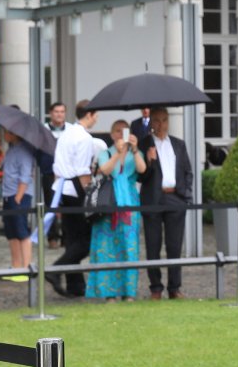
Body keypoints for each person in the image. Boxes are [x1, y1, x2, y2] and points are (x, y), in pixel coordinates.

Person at [137, 107, 192, 300]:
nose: (161, 125)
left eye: (164, 120)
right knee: (153, 246)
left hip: (175, 197)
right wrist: (149, 162)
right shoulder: (144, 144)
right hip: (153, 198)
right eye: (157, 120)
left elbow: (187, 171)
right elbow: (141, 177)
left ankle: (174, 288)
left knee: (174, 246)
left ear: (168, 121)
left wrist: (186, 195)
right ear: (151, 122)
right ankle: (156, 288)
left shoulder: (178, 144)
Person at [87, 120, 145, 301]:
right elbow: (105, 170)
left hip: (129, 201)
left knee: (129, 246)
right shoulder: (105, 153)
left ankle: (129, 292)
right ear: (112, 135)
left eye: (125, 131)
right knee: (107, 247)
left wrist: (134, 150)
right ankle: (108, 293)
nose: (121, 134)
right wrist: (118, 154)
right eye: (118, 131)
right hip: (109, 201)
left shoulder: (136, 152)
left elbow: (142, 169)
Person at [49, 98, 99, 298]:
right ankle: (56, 269)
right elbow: (82, 172)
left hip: (61, 187)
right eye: (96, 115)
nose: (96, 119)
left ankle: (75, 285)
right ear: (90, 114)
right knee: (86, 240)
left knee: (72, 238)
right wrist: (90, 196)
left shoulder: (67, 133)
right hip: (75, 188)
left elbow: (58, 165)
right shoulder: (84, 137)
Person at [0, 128, 36, 280]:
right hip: (8, 194)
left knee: (21, 231)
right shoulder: (11, 150)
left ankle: (26, 268)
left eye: (6, 131)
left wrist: (18, 197)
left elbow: (25, 175)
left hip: (18, 195)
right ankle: (16, 267)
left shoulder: (24, 151)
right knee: (11, 233)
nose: (4, 134)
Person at [37, 101, 65, 248]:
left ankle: (66, 236)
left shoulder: (70, 130)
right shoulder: (44, 130)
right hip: (49, 173)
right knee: (50, 205)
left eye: (62, 112)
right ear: (51, 113)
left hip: (67, 174)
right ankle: (52, 237)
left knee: (67, 204)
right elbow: (38, 152)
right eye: (56, 112)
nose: (59, 114)